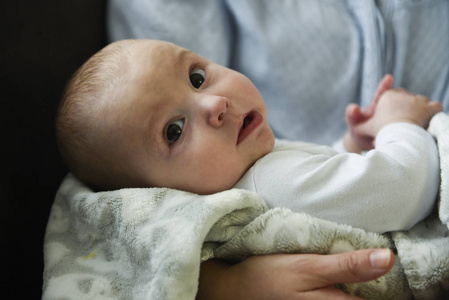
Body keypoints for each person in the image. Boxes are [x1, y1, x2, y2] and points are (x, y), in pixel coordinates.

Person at [57, 39, 441, 235]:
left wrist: (351, 147)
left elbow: (333, 197)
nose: (215, 103)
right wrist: (400, 125)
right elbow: (402, 190)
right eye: (174, 131)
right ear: (157, 195)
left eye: (196, 77)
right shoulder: (271, 184)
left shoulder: (257, 168)